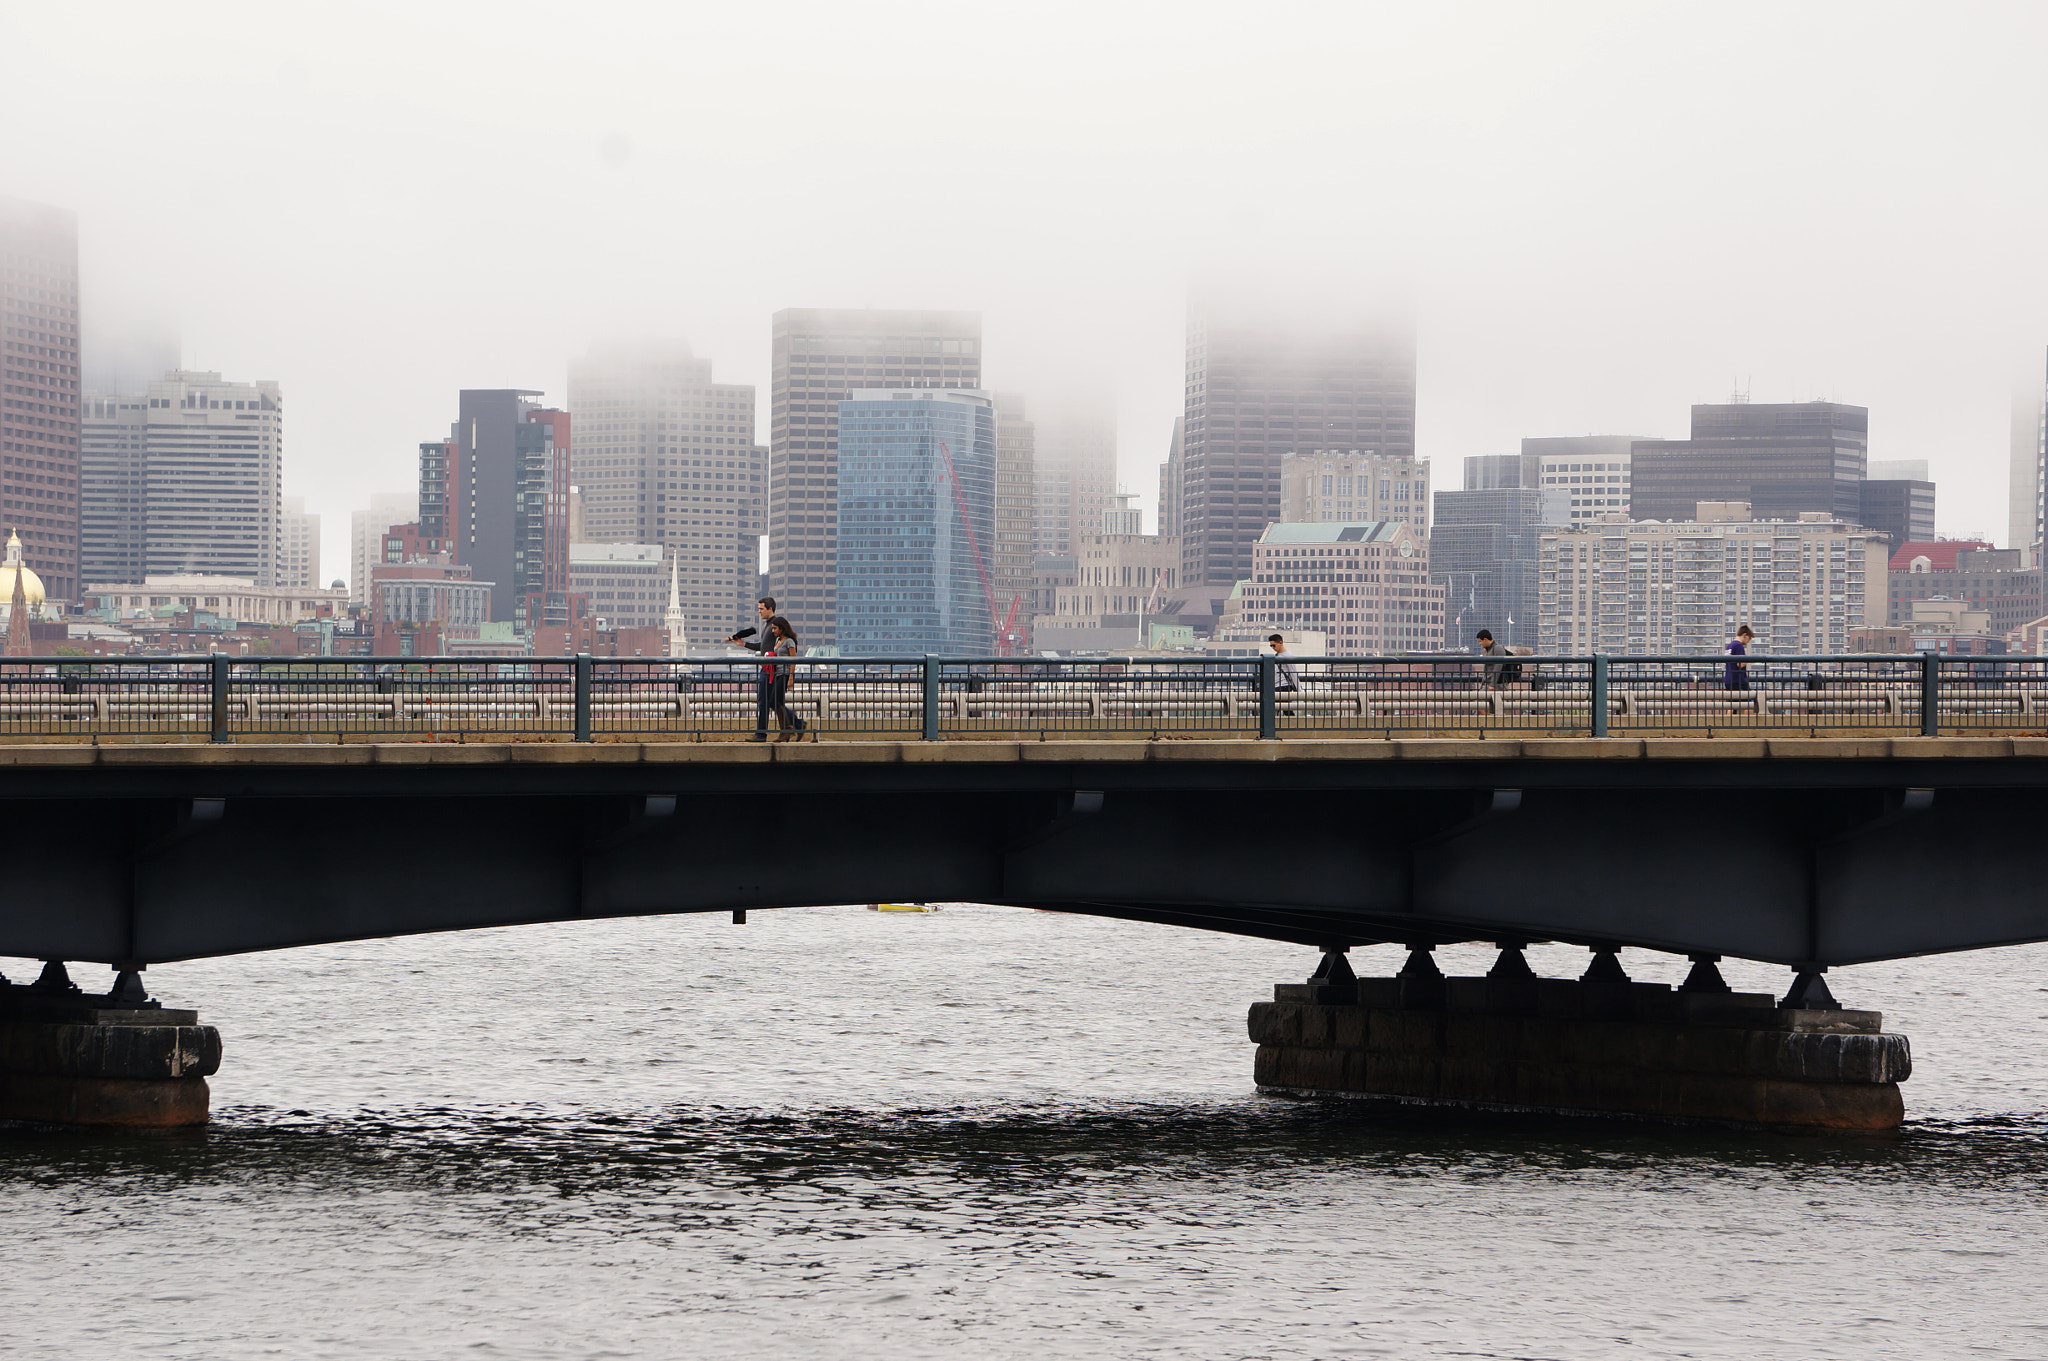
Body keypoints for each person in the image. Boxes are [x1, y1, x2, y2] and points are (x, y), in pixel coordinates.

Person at [727, 596, 779, 741]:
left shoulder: (774, 625)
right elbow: (761, 646)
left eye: (761, 609)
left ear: (770, 609)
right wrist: (743, 644)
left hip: (770, 669)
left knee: (764, 701)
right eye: (758, 609)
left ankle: (761, 734)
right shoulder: (768, 626)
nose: (759, 612)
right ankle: (791, 725)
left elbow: (782, 644)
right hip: (767, 667)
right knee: (771, 702)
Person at [765, 615, 809, 742]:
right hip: (777, 674)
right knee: (778, 702)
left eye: (775, 628)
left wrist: (791, 678)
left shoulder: (789, 641)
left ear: (782, 628)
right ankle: (797, 724)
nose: (773, 631)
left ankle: (787, 728)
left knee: (774, 701)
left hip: (784, 675)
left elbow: (793, 660)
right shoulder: (778, 640)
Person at [1725, 623, 1754, 691]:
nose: (1748, 641)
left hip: (1728, 680)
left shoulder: (1729, 646)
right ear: (1744, 635)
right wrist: (1749, 660)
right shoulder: (1738, 646)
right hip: (1738, 681)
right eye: (1749, 638)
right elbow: (1740, 664)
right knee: (1751, 699)